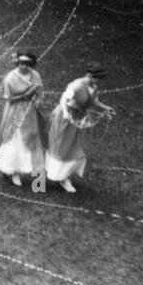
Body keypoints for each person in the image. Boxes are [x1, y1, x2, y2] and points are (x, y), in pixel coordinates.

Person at [45, 64, 113, 192]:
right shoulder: (76, 85)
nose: (99, 81)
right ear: (91, 75)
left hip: (78, 118)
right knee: (61, 147)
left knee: (74, 147)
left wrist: (105, 107)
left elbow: (92, 101)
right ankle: (53, 174)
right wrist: (65, 113)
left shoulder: (93, 86)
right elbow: (63, 99)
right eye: (98, 78)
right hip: (66, 118)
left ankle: (64, 177)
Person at [0, 51, 46, 187]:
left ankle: (37, 179)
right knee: (15, 138)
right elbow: (9, 98)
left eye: (27, 64)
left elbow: (40, 91)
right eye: (21, 63)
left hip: (30, 112)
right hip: (15, 110)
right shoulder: (10, 77)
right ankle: (12, 171)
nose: (24, 66)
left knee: (32, 139)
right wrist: (26, 94)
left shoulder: (35, 75)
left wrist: (38, 101)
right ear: (17, 63)